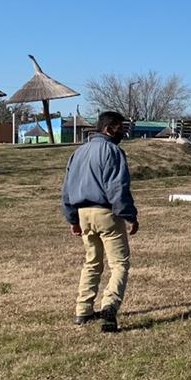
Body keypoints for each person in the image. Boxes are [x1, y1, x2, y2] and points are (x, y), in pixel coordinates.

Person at [62, 110, 138, 333]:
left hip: (83, 214)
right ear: (109, 128)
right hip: (106, 213)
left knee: (92, 263)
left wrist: (72, 218)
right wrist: (130, 215)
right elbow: (117, 188)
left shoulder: (78, 152)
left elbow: (66, 188)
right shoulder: (113, 151)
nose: (123, 132)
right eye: (120, 127)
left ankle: (83, 310)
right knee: (119, 264)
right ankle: (109, 308)